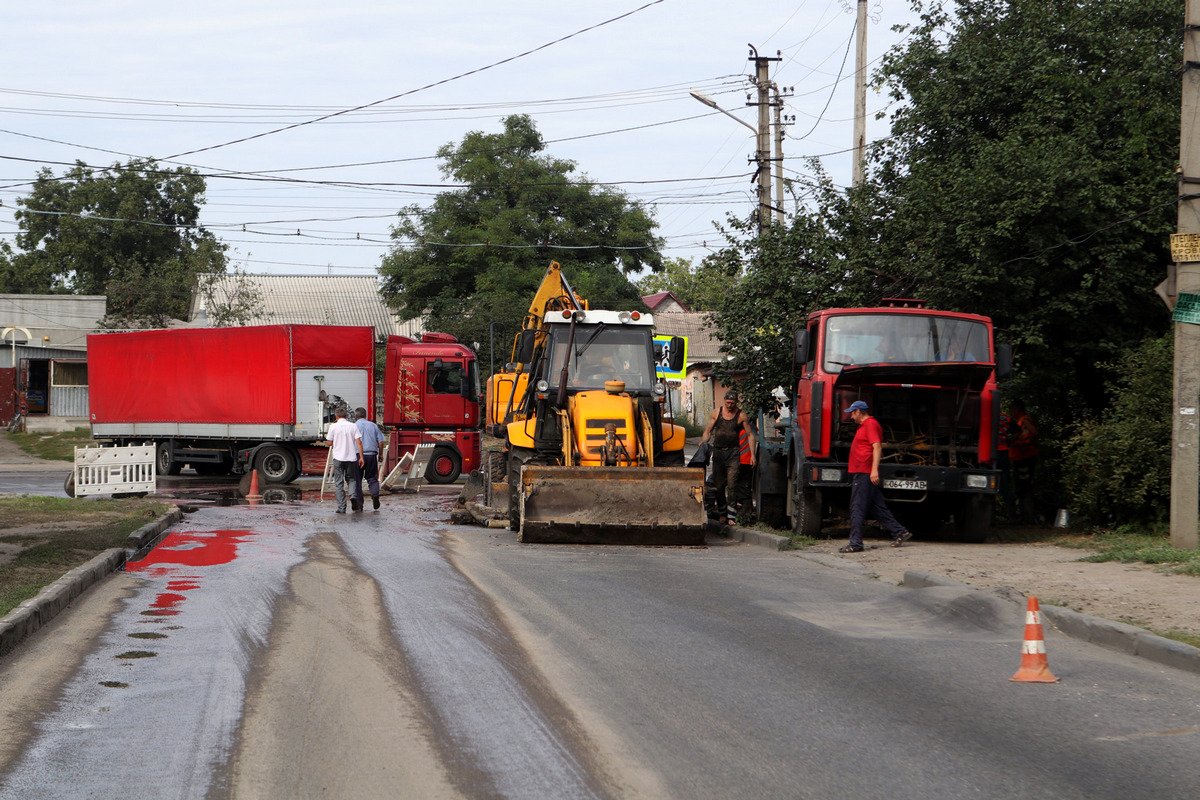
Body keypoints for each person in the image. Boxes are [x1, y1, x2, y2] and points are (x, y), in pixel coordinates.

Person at [840, 400, 911, 553]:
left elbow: (877, 446)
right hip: (863, 471)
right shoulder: (865, 426)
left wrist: (873, 470)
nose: (851, 416)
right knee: (877, 507)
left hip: (864, 472)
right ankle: (900, 531)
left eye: (852, 413)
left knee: (857, 507)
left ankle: (855, 543)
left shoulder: (870, 424)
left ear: (859, 411)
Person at [700, 389, 757, 526]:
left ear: (736, 402)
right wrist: (704, 441)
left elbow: (750, 435)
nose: (730, 405)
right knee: (718, 486)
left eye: (732, 403)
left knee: (732, 485)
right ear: (724, 401)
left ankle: (731, 516)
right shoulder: (716, 413)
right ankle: (722, 513)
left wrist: (752, 455)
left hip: (733, 454)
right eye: (728, 402)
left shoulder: (741, 415)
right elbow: (708, 430)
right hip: (718, 453)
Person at [325, 407, 364, 514]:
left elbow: (329, 442)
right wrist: (361, 457)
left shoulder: (333, 426)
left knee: (338, 483)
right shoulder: (353, 426)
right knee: (352, 479)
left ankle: (342, 508)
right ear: (346, 416)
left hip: (338, 458)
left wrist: (334, 442)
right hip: (351, 458)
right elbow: (359, 443)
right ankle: (353, 496)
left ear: (336, 416)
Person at [1007, 399, 1039, 524]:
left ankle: (1028, 517)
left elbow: (1034, 434)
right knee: (1020, 487)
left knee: (1024, 487)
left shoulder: (1025, 420)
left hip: (1025, 458)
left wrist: (1021, 444)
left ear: (1017, 409)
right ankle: (1024, 516)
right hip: (1019, 458)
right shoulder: (1018, 422)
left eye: (1012, 409)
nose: (1011, 412)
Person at [352, 407, 387, 512]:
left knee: (357, 480)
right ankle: (375, 494)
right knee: (372, 478)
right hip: (371, 455)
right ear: (365, 415)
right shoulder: (373, 426)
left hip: (358, 455)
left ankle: (359, 505)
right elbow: (381, 442)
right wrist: (380, 454)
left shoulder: (354, 426)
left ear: (356, 416)